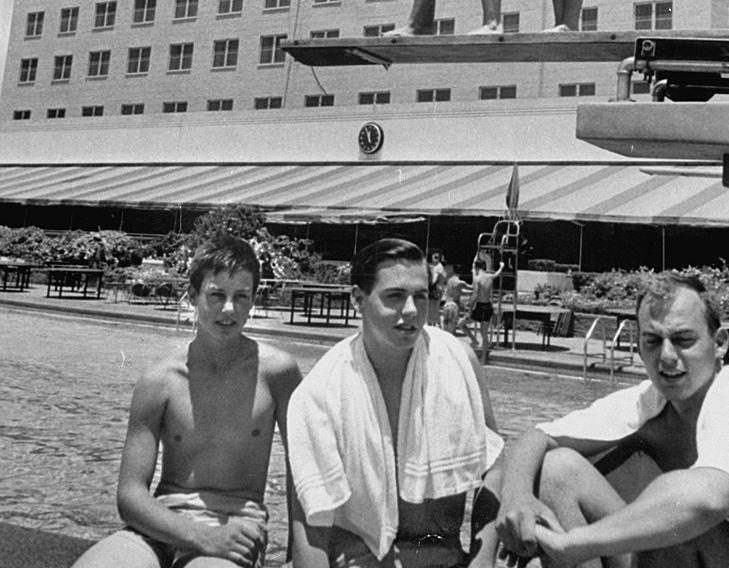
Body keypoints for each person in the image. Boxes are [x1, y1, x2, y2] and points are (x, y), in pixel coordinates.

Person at [72, 235, 302, 568]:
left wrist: (298, 560)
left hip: (234, 528)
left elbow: (303, 478)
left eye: (241, 297)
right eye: (216, 295)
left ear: (253, 301)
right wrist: (200, 535)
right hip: (160, 525)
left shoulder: (279, 373)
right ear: (193, 295)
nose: (229, 309)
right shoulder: (160, 380)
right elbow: (130, 495)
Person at [495, 272, 729, 568]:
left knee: (687, 515)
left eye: (683, 340)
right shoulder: (647, 400)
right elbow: (539, 436)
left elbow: (708, 498)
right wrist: (517, 497)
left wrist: (573, 544)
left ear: (719, 343)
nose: (667, 356)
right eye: (653, 341)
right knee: (557, 469)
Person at [288, 238, 505, 568]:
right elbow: (309, 514)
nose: (412, 310)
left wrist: (483, 559)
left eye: (420, 295)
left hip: (445, 556)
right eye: (394, 296)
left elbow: (495, 463)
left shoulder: (458, 360)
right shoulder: (321, 390)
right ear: (358, 299)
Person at [470, 258, 504, 364]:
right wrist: (501, 266)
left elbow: (475, 294)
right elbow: (497, 274)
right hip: (488, 306)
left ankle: (473, 341)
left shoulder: (477, 278)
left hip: (480, 306)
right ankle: (483, 358)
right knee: (484, 333)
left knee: (461, 324)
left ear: (476, 267)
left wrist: (470, 307)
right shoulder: (489, 276)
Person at [442, 264, 476, 344]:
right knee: (453, 326)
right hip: (454, 305)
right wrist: (475, 275)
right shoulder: (460, 283)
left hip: (447, 304)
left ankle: (445, 342)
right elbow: (472, 287)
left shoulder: (449, 280)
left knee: (446, 324)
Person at [428, 249, 447, 326]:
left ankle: (432, 325)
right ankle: (437, 324)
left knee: (432, 308)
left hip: (436, 289)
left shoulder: (438, 268)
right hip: (440, 289)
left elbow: (433, 280)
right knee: (436, 308)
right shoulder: (440, 267)